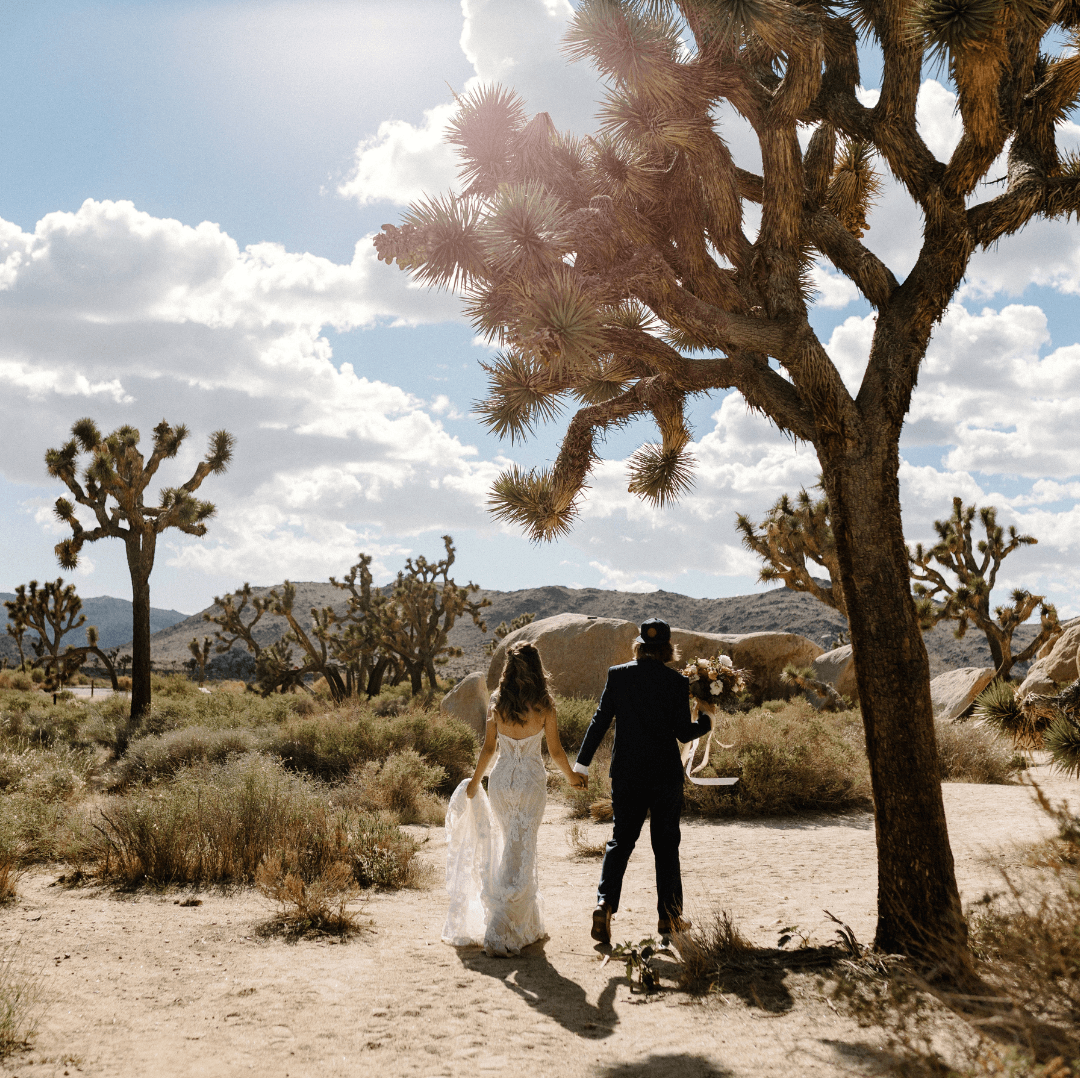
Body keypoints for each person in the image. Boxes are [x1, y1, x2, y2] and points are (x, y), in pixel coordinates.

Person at [573, 617, 712, 944]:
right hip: (664, 777)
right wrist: (705, 720)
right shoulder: (676, 682)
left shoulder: (618, 675)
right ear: (667, 649)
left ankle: (604, 905)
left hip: (627, 774)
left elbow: (600, 720)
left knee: (620, 840)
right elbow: (682, 733)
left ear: (639, 645)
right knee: (666, 846)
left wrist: (582, 764)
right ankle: (669, 917)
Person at [442, 642, 586, 955]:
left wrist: (475, 782)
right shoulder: (545, 703)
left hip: (502, 782)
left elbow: (489, 749)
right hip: (531, 782)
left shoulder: (497, 700)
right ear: (537, 668)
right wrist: (574, 778)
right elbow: (557, 752)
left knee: (509, 844)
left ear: (508, 669)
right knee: (523, 848)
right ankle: (504, 925)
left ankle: (518, 922)